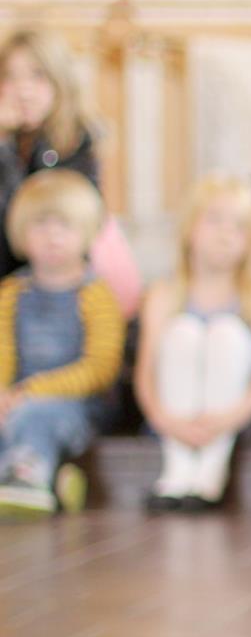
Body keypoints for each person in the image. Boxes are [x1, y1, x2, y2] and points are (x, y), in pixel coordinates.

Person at [133, 176, 251, 511]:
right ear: (189, 227)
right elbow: (146, 373)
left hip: (241, 414)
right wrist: (166, 421)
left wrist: (231, 417)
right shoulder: (164, 293)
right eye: (214, 219)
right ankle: (177, 470)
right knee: (183, 332)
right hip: (174, 419)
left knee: (226, 333)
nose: (226, 232)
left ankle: (209, 472)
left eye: (239, 226)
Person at [0, 171, 123, 517]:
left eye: (64, 226)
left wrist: (32, 390)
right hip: (20, 397)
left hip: (79, 405)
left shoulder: (95, 294)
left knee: (38, 415)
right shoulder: (11, 293)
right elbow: (3, 354)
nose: (52, 236)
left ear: (87, 234)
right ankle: (54, 480)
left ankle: (28, 480)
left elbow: (100, 368)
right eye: (40, 225)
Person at [0, 28, 142, 317]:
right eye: (10, 77)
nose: (23, 89)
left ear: (59, 81)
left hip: (54, 276)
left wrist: (6, 153)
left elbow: (38, 216)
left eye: (37, 76)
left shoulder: (78, 142)